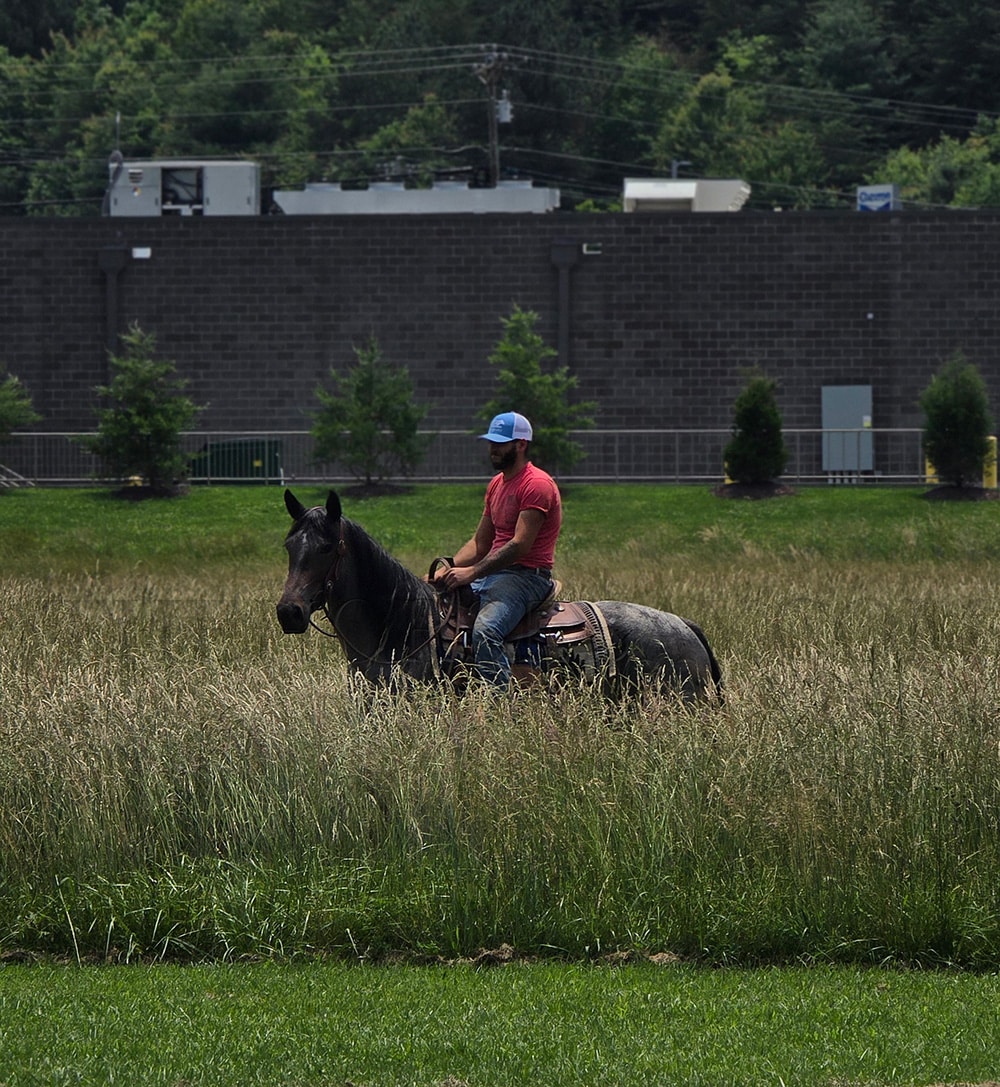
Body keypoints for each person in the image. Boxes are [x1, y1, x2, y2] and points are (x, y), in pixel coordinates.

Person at [435, 411, 562, 688]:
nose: (493, 448)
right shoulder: (496, 484)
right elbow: (479, 544)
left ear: (521, 444)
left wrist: (471, 573)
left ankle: (499, 701)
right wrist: (448, 568)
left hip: (526, 577)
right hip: (493, 574)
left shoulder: (536, 484)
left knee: (486, 630)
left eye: (501, 443)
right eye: (492, 442)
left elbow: (519, 545)